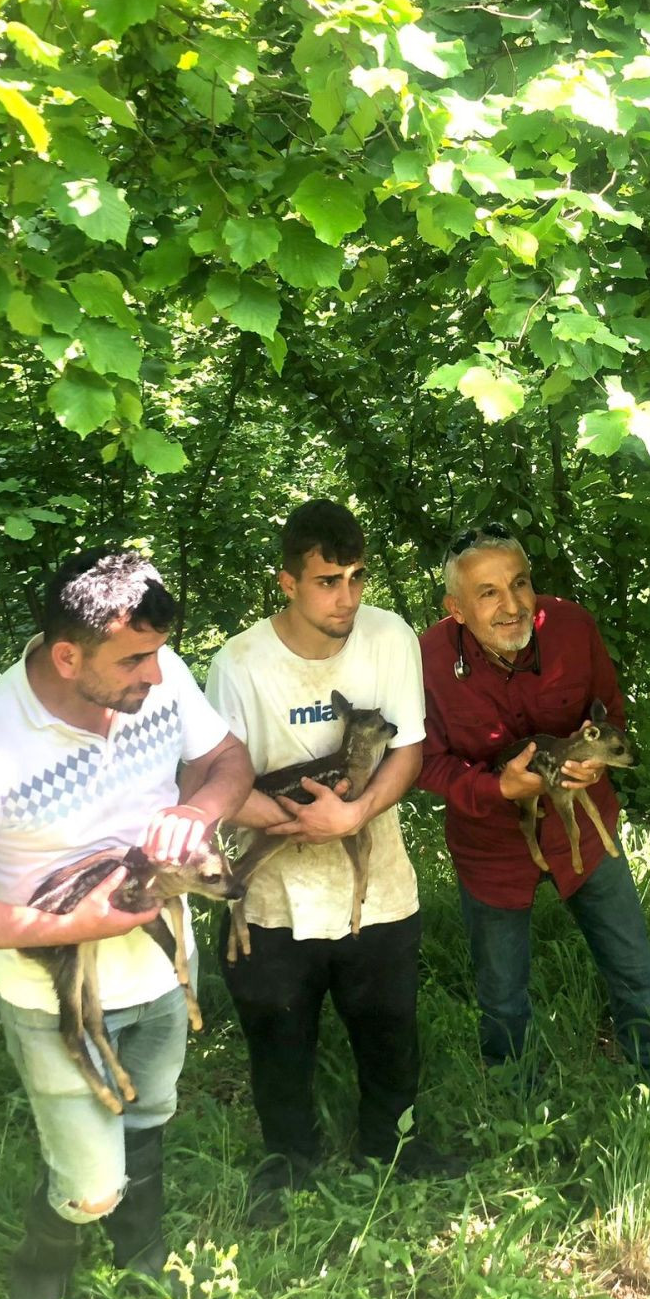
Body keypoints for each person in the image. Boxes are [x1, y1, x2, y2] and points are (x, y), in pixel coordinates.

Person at [0, 550, 253, 1299]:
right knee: (90, 1184)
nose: (155, 676)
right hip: (52, 994)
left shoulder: (155, 673)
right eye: (134, 659)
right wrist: (69, 923)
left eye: (158, 653)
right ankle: (43, 1261)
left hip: (162, 973)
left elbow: (229, 759)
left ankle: (144, 1259)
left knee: (150, 1114)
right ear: (67, 655)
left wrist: (197, 812)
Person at [206, 499, 456, 1198]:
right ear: (287, 582)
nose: (346, 596)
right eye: (326, 580)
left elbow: (408, 746)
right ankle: (287, 1164)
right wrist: (286, 819)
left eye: (355, 576)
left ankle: (393, 1148)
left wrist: (352, 815)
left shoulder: (389, 636)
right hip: (272, 889)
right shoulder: (240, 662)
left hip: (373, 877)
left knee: (389, 1026)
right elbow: (212, 771)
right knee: (278, 1034)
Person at [418, 524, 650, 1080]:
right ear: (456, 608)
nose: (511, 605)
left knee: (632, 967)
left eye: (520, 584)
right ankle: (515, 1106)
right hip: (490, 848)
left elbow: (610, 714)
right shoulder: (428, 661)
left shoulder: (572, 626)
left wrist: (590, 766)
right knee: (502, 991)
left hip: (583, 828)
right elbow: (425, 763)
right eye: (488, 593)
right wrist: (498, 789)